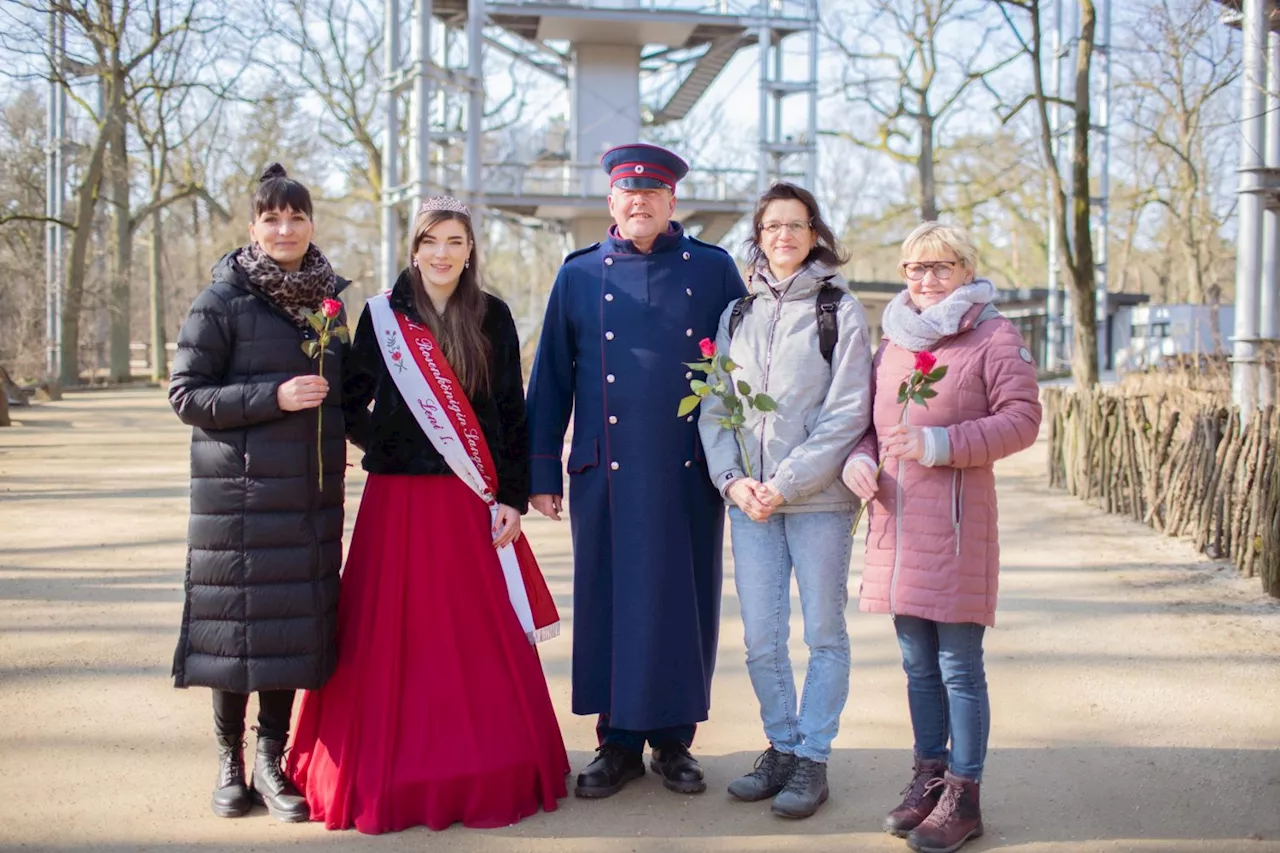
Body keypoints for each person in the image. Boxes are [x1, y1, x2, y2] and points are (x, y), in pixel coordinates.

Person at [286, 196, 568, 834]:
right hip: (398, 501)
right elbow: (352, 401)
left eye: (456, 242)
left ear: (470, 251)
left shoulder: (491, 315)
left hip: (470, 497)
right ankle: (384, 766)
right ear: (413, 249)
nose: (442, 254)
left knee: (469, 634)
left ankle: (485, 762)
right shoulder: (383, 314)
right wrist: (389, 442)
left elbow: (510, 412)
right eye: (431, 242)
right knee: (387, 632)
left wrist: (512, 498)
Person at [526, 143, 747, 798]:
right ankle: (615, 740)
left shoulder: (713, 270)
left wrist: (749, 461)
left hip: (685, 471)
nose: (640, 201)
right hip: (606, 474)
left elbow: (746, 369)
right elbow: (550, 381)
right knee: (608, 602)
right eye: (629, 191)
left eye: (653, 192)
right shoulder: (578, 275)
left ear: (673, 201)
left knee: (681, 601)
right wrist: (540, 471)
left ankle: (674, 739)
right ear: (611, 201)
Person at [840, 222, 1041, 853]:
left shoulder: (994, 335)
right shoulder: (892, 343)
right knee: (916, 666)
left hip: (955, 527)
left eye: (939, 266)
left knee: (958, 666)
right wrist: (860, 458)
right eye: (913, 268)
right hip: (896, 526)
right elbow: (871, 423)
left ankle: (964, 793)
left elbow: (1023, 418)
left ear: (965, 268)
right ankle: (927, 777)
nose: (925, 279)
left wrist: (943, 443)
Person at [169, 163, 349, 822]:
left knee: (290, 629)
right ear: (254, 227)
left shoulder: (329, 301)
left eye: (296, 216)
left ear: (310, 225)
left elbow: (349, 395)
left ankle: (272, 759)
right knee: (234, 632)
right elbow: (186, 394)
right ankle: (228, 759)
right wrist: (273, 396)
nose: (284, 227)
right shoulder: (221, 300)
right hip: (237, 498)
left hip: (308, 497)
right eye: (272, 217)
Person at [699, 181, 873, 819]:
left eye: (796, 225)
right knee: (761, 640)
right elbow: (715, 407)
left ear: (814, 232)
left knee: (823, 634)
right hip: (750, 504)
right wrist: (733, 481)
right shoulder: (736, 314)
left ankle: (814, 758)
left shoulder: (840, 310)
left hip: (818, 501)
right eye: (772, 226)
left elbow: (847, 411)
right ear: (759, 234)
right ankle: (781, 744)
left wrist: (788, 481)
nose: (784, 236)